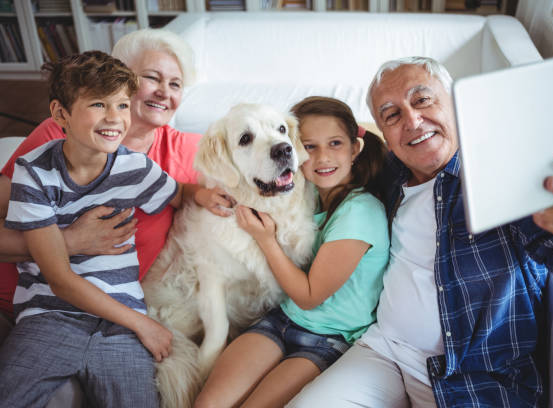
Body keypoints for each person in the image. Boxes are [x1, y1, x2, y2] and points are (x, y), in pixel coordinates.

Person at [288, 57, 553, 407]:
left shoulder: (501, 177)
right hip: (382, 351)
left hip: (475, 378)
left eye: (423, 100)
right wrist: (224, 190)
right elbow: (314, 154)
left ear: (456, 105)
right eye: (392, 114)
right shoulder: (388, 172)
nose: (412, 120)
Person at [0, 28, 231, 331]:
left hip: (111, 320)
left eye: (175, 84)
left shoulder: (186, 150)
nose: (165, 91)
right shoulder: (60, 134)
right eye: (152, 78)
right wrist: (69, 243)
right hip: (19, 307)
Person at [0, 51, 181, 407]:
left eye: (122, 105)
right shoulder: (34, 172)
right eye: (99, 104)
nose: (114, 118)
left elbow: (181, 194)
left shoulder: (135, 168)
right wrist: (144, 325)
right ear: (60, 114)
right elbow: (60, 279)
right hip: (50, 317)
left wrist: (208, 195)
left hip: (120, 331)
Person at [193, 96, 390, 408]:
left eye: (335, 144)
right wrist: (200, 192)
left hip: (327, 338)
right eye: (309, 146)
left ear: (355, 149)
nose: (322, 156)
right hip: (280, 319)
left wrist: (265, 240)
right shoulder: (309, 196)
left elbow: (309, 296)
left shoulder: (361, 212)